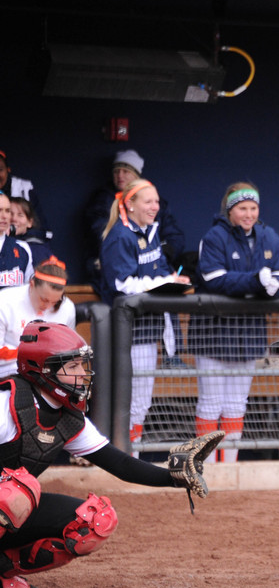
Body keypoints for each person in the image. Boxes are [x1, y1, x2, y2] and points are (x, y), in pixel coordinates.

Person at [0, 322, 221, 588]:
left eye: (83, 364)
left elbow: (120, 465)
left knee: (93, 521)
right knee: (15, 492)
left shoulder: (67, 417)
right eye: (72, 366)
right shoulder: (6, 404)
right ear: (42, 369)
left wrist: (173, 477)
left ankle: (2, 570)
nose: (83, 373)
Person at [191, 182, 279, 463]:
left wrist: (276, 287)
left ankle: (230, 465)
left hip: (249, 330)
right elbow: (213, 279)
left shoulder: (268, 235)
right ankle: (205, 465)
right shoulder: (214, 236)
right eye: (242, 208)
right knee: (211, 402)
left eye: (253, 208)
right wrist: (255, 281)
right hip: (213, 330)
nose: (248, 214)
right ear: (230, 210)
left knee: (237, 403)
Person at [99, 179, 188, 454]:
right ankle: (125, 456)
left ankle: (131, 455)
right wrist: (158, 283)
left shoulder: (151, 232)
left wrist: (172, 279)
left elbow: (157, 271)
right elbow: (122, 284)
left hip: (150, 327)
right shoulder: (120, 236)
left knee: (141, 400)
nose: (155, 207)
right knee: (130, 399)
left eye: (157, 202)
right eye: (148, 202)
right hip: (130, 330)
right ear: (130, 204)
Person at [85, 149, 186, 291]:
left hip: (152, 297)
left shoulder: (152, 225)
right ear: (130, 205)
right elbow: (123, 283)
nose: (120, 175)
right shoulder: (117, 230)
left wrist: (170, 275)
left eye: (126, 171)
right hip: (128, 295)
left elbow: (174, 237)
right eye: (116, 171)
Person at [0, 257, 76, 377]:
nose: (47, 306)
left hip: (50, 372)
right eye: (44, 299)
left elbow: (69, 349)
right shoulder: (5, 300)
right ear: (32, 284)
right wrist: (32, 355)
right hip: (9, 370)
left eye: (54, 302)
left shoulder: (67, 307)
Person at [0, 149, 45, 232]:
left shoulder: (23, 189)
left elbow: (41, 230)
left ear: (8, 170)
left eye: (0, 170)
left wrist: (16, 241)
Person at [0, 191, 33, 289]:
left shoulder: (22, 248)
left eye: (7, 210)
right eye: (0, 210)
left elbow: (29, 290)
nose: (4, 216)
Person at [8, 197, 52, 265]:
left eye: (20, 215)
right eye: (10, 214)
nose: (14, 219)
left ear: (30, 222)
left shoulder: (37, 250)